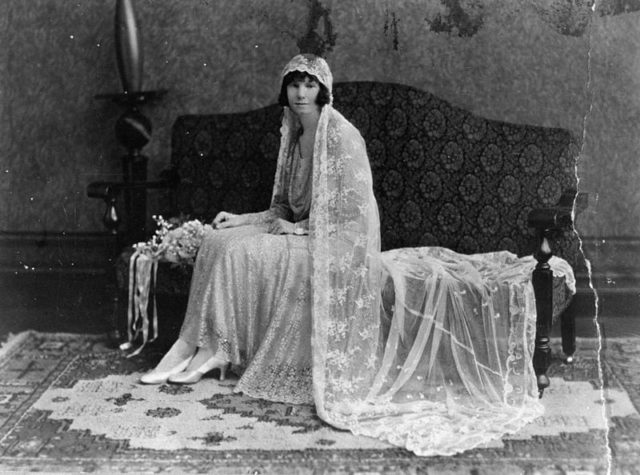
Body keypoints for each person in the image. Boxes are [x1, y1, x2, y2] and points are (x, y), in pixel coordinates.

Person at [138, 54, 548, 456]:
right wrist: (242, 218)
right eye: (294, 85)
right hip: (304, 233)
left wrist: (299, 230)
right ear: (285, 91)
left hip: (339, 243)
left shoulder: (340, 135)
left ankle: (220, 349)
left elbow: (356, 216)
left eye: (309, 85)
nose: (301, 93)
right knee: (218, 240)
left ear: (323, 91)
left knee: (248, 253)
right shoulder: (292, 134)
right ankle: (194, 344)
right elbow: (282, 208)